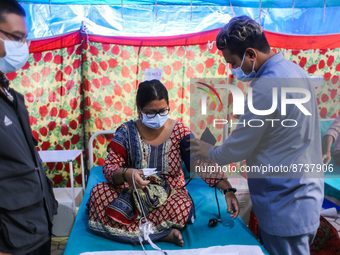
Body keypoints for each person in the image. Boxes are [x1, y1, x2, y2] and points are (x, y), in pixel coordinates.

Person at [189, 16, 324, 255]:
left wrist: (207, 151)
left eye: (233, 62)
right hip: (305, 194)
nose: (233, 69)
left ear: (251, 54)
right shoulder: (296, 72)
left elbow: (239, 147)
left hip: (285, 203)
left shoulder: (268, 86)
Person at [88, 79, 239, 246]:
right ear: (139, 110)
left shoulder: (180, 131)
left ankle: (135, 231)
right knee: (98, 193)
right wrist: (126, 174)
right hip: (133, 193)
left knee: (181, 206)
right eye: (151, 113)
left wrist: (228, 190)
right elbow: (109, 168)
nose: (158, 117)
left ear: (169, 106)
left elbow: (202, 164)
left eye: (163, 111)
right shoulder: (126, 132)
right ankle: (162, 234)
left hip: (168, 196)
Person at [0, 1, 58, 254]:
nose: (22, 47)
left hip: (34, 227)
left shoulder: (12, 97)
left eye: (24, 39)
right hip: (10, 239)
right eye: (15, 38)